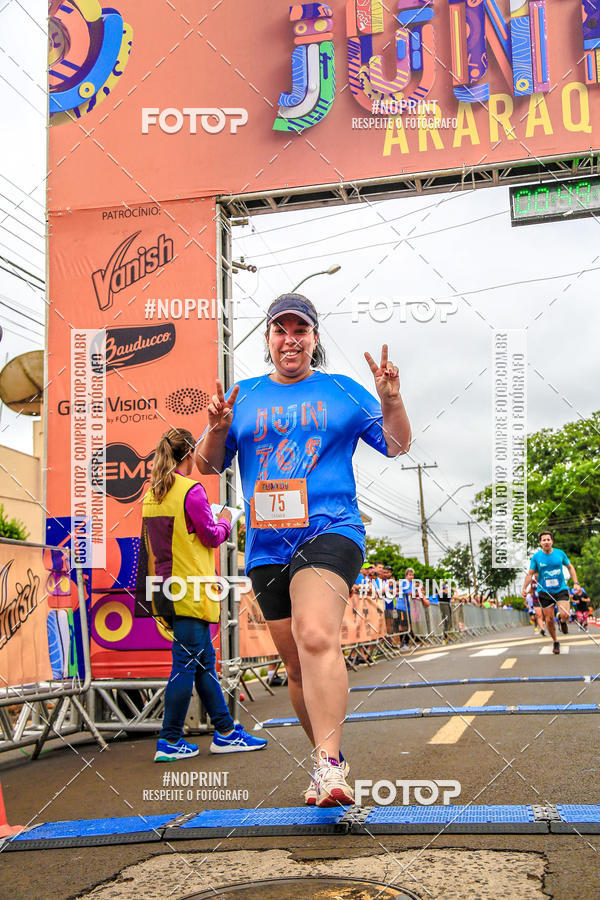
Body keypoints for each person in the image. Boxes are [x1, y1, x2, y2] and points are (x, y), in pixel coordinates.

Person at [195, 293, 411, 806]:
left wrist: (392, 400)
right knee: (295, 665)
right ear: (267, 338)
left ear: (314, 338)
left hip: (329, 529)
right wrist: (218, 429)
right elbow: (206, 466)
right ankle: (325, 766)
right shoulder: (243, 396)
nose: (290, 339)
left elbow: (398, 446)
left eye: (301, 330)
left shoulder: (342, 390)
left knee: (316, 635)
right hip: (268, 545)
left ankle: (330, 764)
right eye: (280, 330)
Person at [140, 428, 267, 761]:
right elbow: (211, 537)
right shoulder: (190, 490)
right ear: (191, 454)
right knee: (185, 665)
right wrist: (225, 519)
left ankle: (225, 730)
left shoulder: (152, 493)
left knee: (202, 665)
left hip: (165, 590)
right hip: (191, 590)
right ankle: (169, 740)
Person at [522, 531, 580, 654]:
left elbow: (570, 567)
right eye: (544, 540)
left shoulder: (560, 553)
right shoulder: (536, 557)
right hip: (544, 591)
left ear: (552, 541)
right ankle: (555, 641)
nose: (546, 542)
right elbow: (530, 574)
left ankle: (562, 620)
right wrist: (524, 588)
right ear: (540, 543)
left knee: (566, 614)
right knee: (548, 620)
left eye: (548, 539)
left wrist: (576, 582)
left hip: (561, 589)